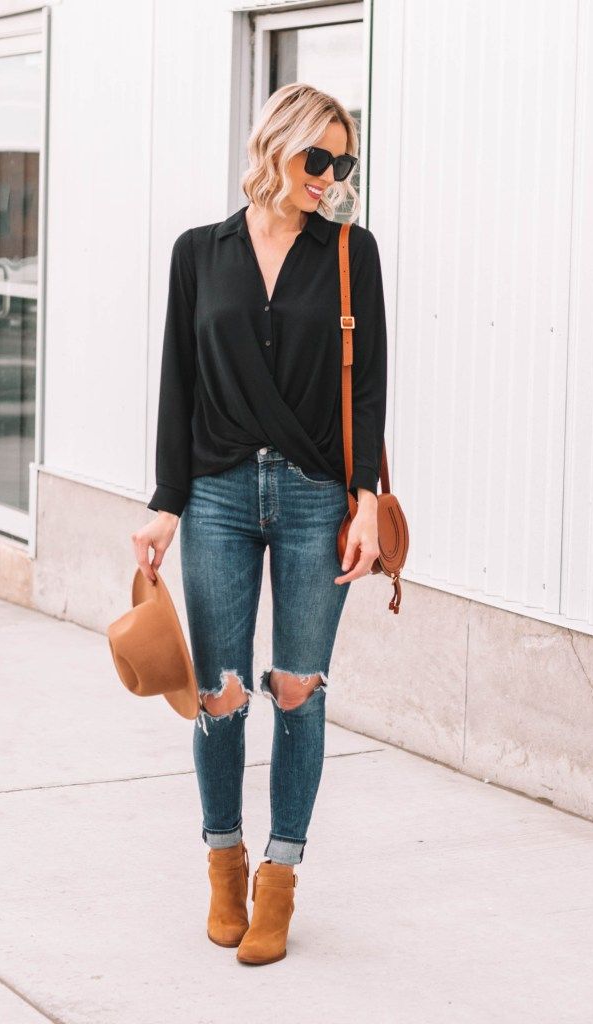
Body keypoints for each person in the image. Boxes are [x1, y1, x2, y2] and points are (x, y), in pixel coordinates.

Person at [132, 82, 387, 965]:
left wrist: (364, 506)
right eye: (317, 157)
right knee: (221, 693)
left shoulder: (353, 255)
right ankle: (223, 862)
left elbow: (367, 387)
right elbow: (178, 384)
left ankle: (278, 879)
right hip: (219, 495)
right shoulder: (198, 253)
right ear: (273, 147)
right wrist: (167, 504)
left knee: (299, 691)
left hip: (319, 498)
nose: (330, 176)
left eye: (342, 162)